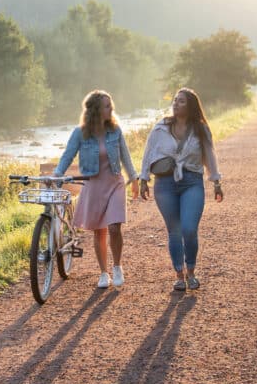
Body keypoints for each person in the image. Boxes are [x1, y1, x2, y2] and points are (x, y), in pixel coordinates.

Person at [137, 88, 223, 291]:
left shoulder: (200, 128)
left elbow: (210, 155)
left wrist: (216, 181)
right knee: (174, 231)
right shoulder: (161, 127)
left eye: (181, 101)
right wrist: (143, 179)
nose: (176, 104)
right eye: (175, 100)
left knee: (189, 229)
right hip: (164, 183)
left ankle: (191, 270)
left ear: (190, 105)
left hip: (192, 180)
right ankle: (179, 275)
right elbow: (148, 152)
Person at [53, 90, 137, 288]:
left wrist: (133, 178)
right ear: (96, 110)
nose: (111, 109)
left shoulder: (115, 131)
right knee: (99, 232)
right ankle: (103, 272)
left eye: (111, 105)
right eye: (107, 106)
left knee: (115, 227)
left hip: (115, 183)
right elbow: (67, 156)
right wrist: (57, 174)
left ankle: (117, 266)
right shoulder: (80, 133)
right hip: (93, 185)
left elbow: (125, 156)